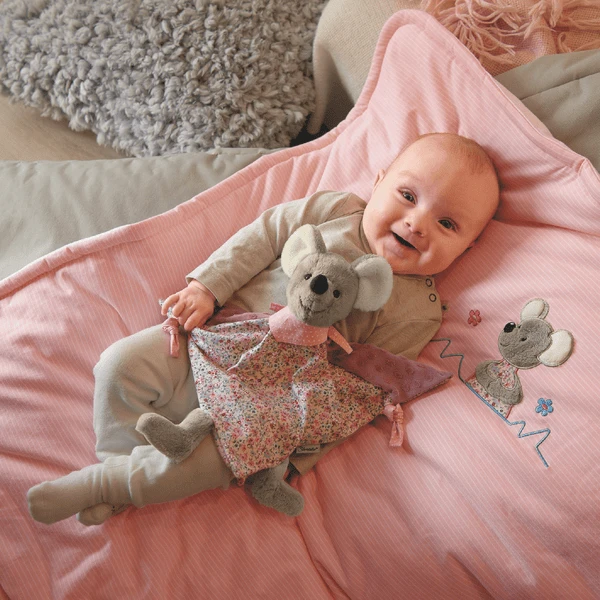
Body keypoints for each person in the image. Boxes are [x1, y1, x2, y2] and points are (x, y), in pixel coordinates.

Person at [27, 132, 500, 525]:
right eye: (408, 196)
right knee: (120, 364)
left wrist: (297, 454)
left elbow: (364, 392)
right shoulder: (336, 210)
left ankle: (105, 485)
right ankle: (119, 461)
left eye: (446, 223)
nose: (417, 223)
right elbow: (264, 235)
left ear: (469, 247)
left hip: (268, 403)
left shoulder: (419, 311)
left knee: (210, 463)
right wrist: (208, 287)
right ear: (377, 183)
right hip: (215, 340)